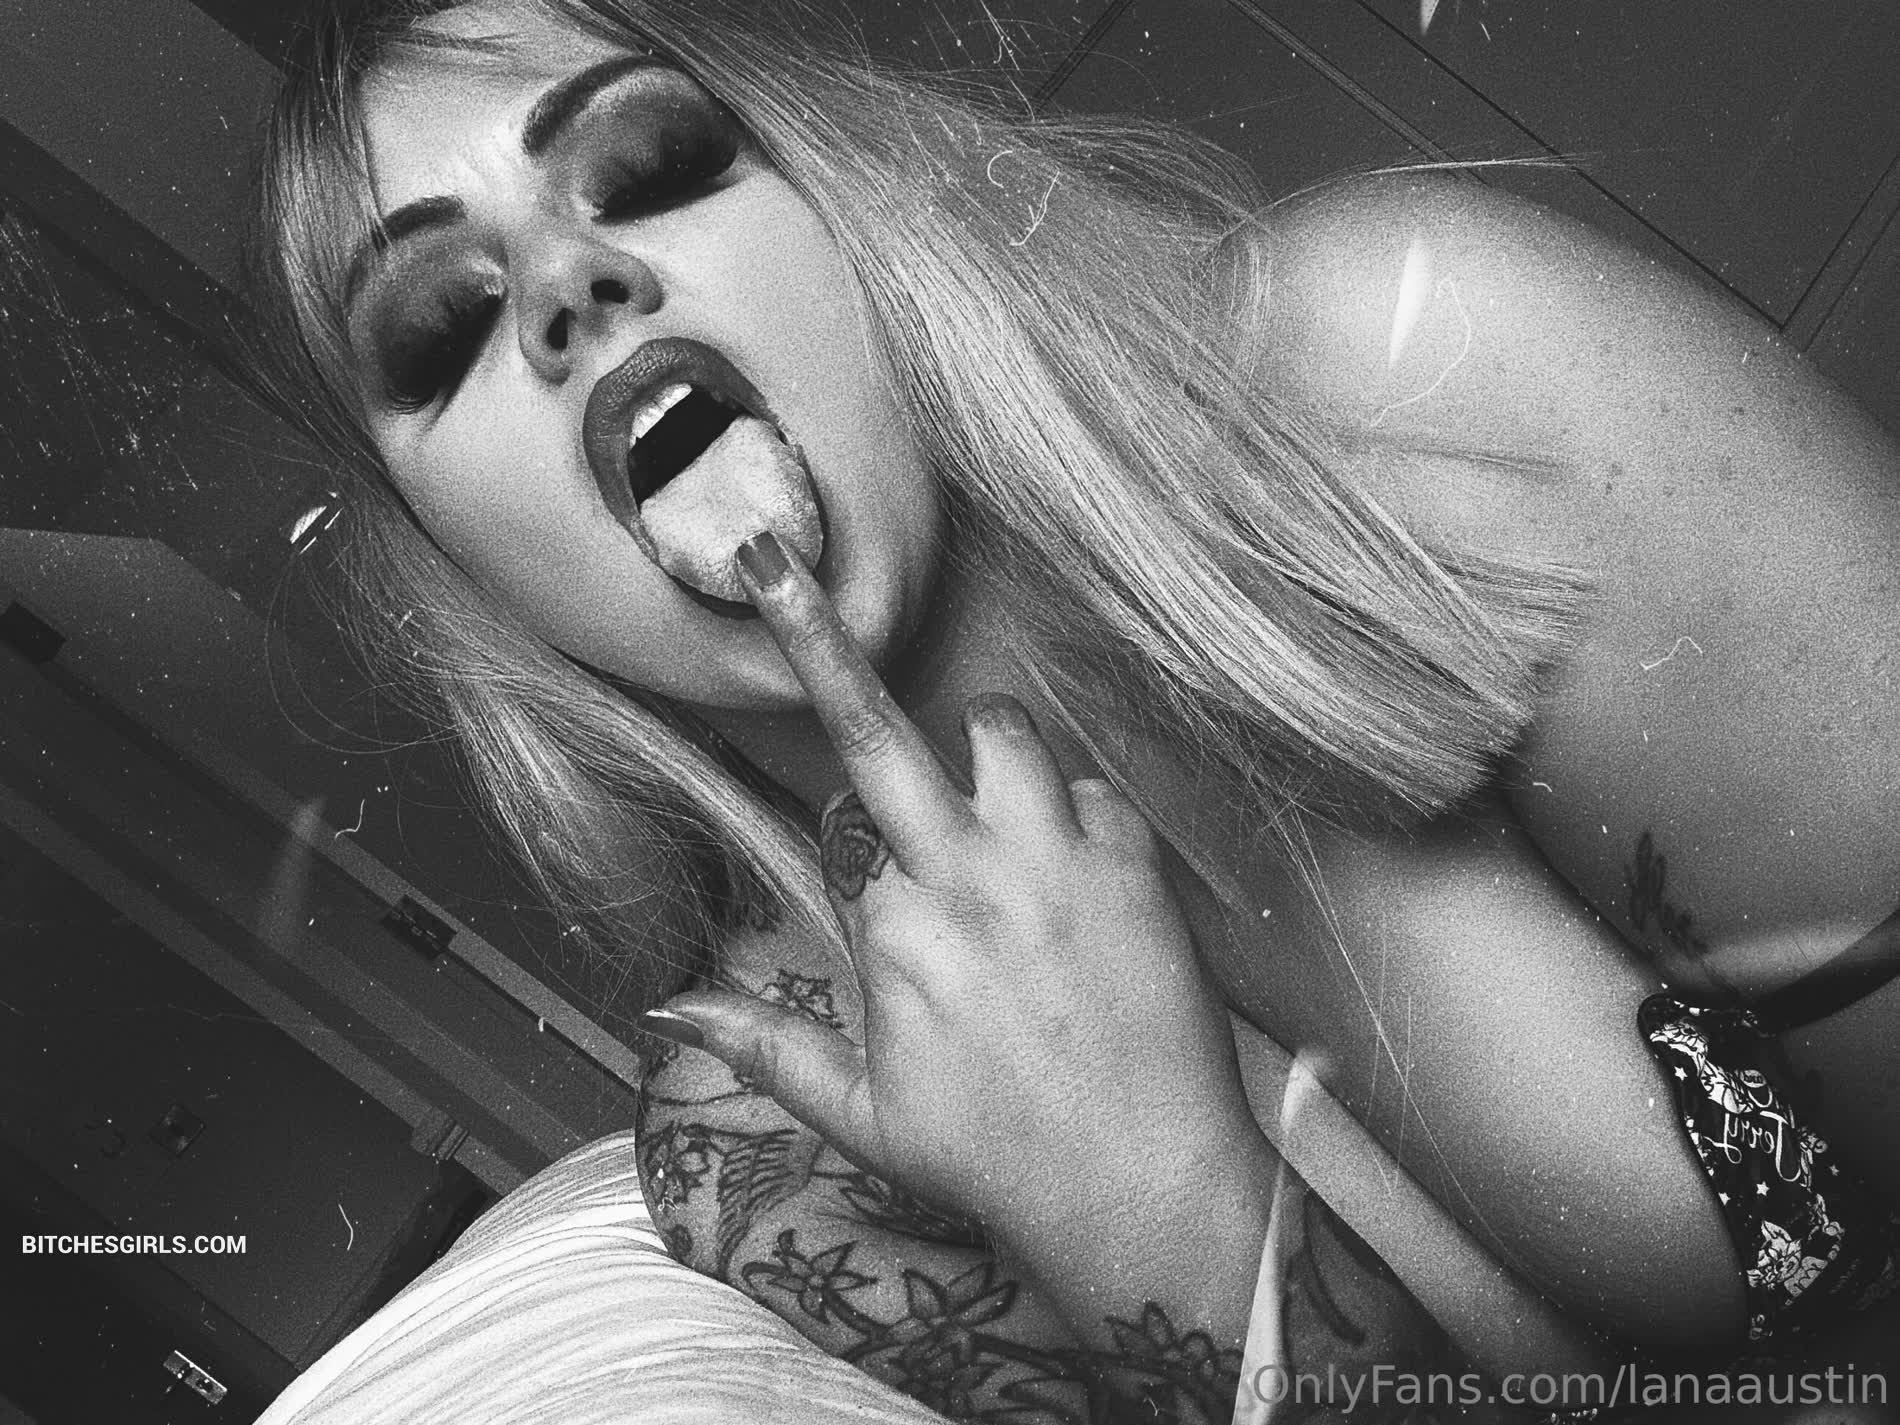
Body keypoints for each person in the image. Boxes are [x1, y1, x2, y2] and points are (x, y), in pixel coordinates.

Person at [252, 0, 1900, 1418]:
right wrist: (1156, 1220)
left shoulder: (1410, 378)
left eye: (647, 167)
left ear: (837, 198)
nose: (570, 278)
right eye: (446, 327)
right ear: (457, 569)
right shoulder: (768, 1135)